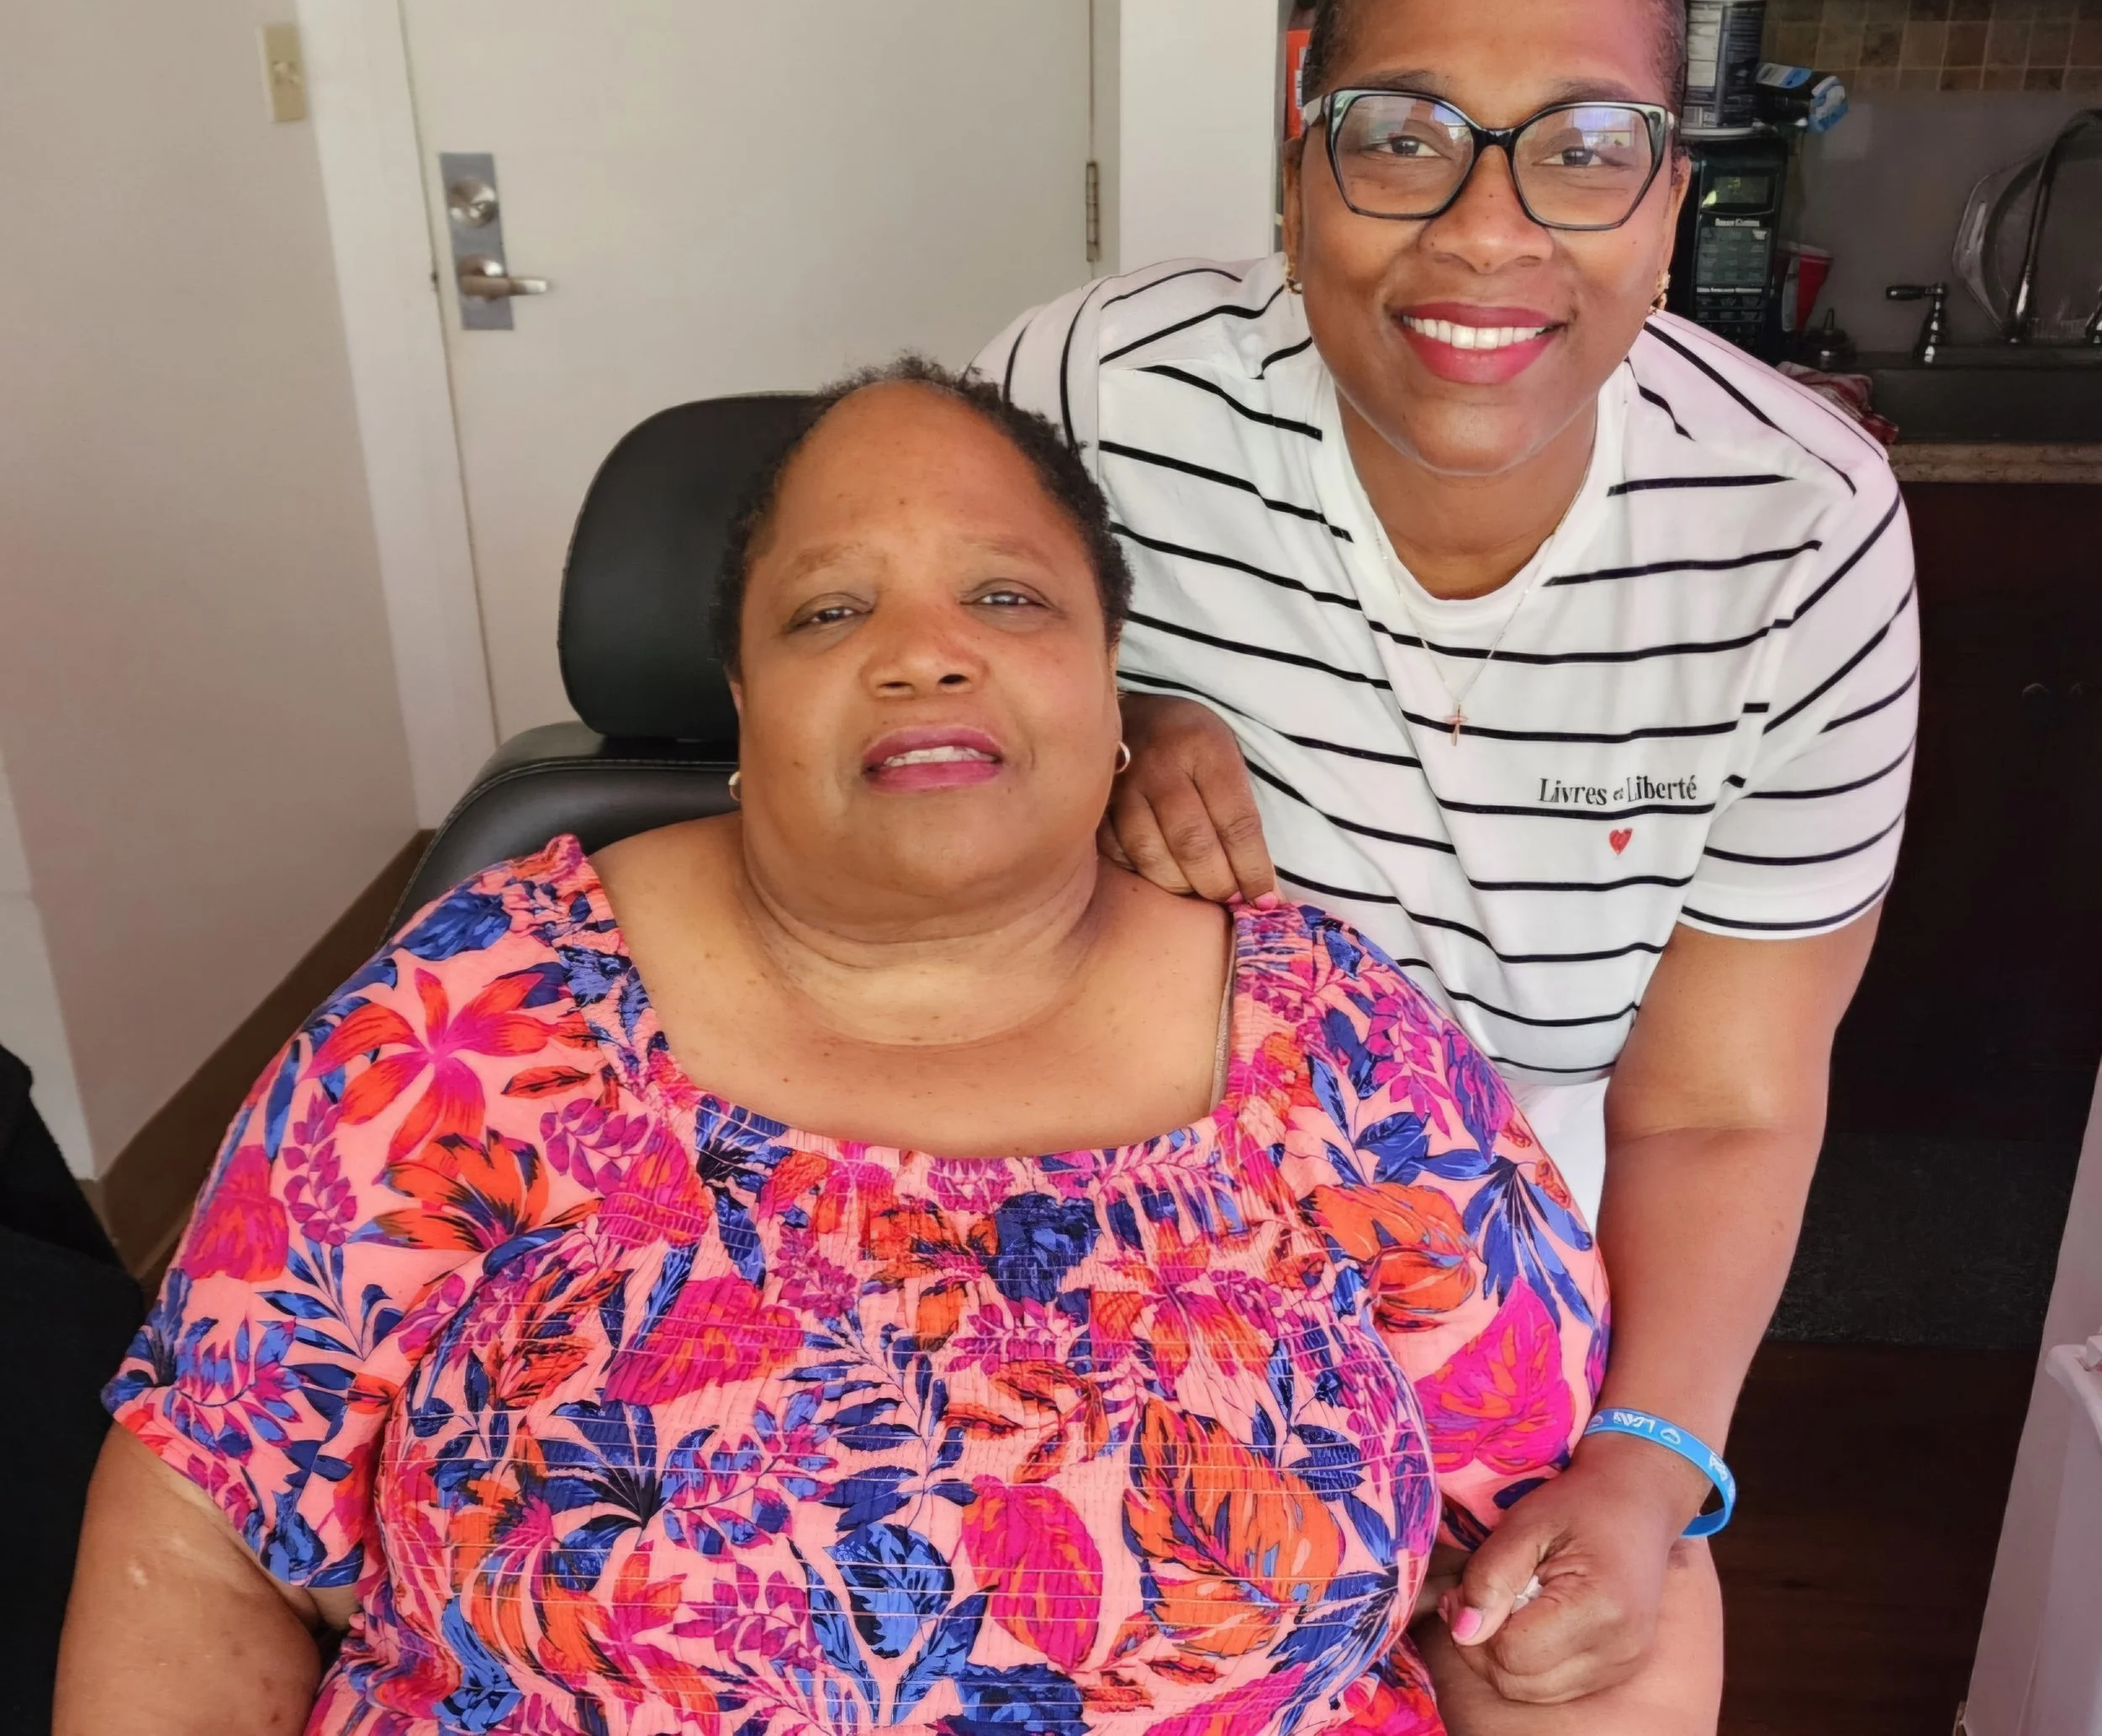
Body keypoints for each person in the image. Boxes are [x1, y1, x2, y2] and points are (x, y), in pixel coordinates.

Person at [58, 365, 1718, 1736]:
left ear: (1112, 684)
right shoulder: (474, 1016)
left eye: (1005, 595)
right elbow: (202, 1527)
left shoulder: (1337, 1051)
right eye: (829, 609)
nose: (922, 648)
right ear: (742, 698)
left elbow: (1581, 1584)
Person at [978, 0, 1914, 1708]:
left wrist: (1644, 1464)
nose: (1487, 234)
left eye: (1583, 150)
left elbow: (1721, 1104)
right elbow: (917, 694)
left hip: (1518, 1229)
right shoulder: (1088, 394)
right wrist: (1111, 717)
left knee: (1589, 1672)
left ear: (1671, 198)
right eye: (1401, 136)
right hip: (1110, 1181)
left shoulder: (1796, 531)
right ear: (1299, 155)